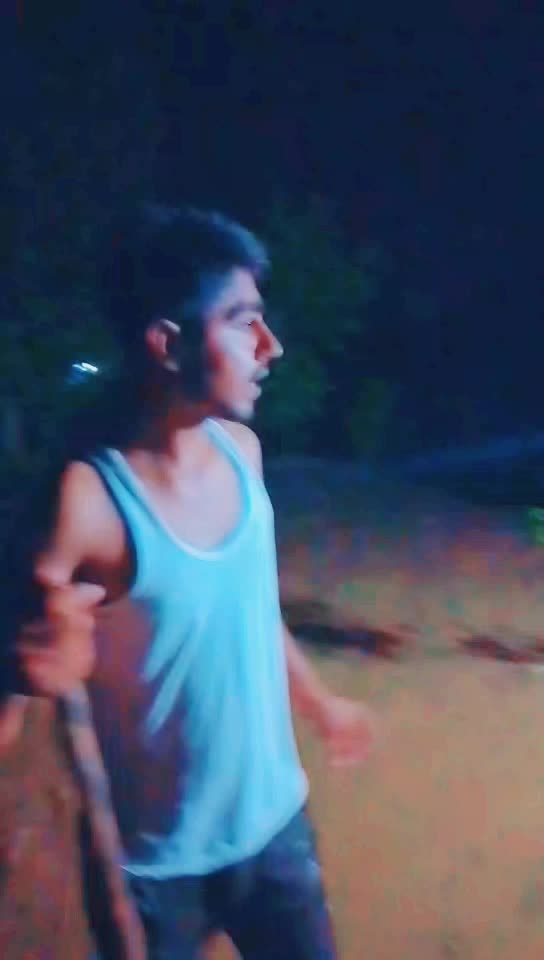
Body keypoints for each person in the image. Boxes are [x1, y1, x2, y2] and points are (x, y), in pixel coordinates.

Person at [15, 207, 376, 959]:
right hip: (155, 870)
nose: (270, 346)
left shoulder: (243, 454)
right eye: (243, 322)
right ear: (167, 342)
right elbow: (23, 666)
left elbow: (250, 612)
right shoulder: (88, 501)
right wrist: (27, 666)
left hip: (276, 830)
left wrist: (320, 702)